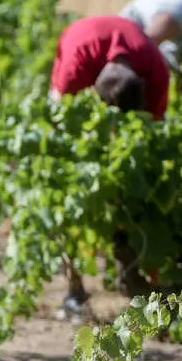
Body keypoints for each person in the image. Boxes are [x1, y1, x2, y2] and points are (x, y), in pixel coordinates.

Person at [49, 16, 171, 322]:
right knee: (63, 192)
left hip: (126, 54)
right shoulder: (75, 68)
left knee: (141, 183)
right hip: (79, 42)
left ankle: (136, 276)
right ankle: (74, 290)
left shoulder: (156, 71)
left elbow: (155, 133)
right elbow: (58, 124)